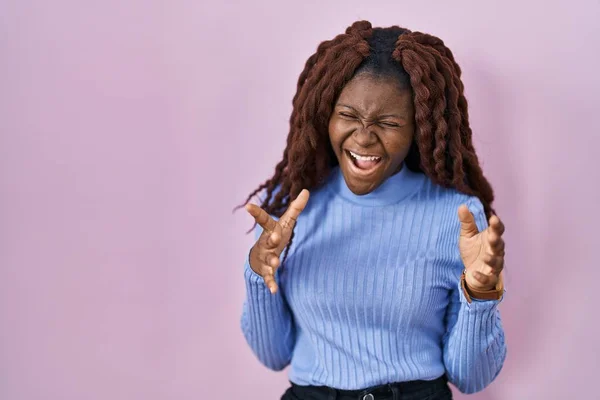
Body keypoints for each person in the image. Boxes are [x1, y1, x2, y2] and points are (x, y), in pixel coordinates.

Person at [238, 20, 507, 400]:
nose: (363, 137)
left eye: (388, 122)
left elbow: (471, 379)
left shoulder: (456, 215)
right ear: (325, 115)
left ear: (420, 128)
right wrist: (257, 272)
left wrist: (480, 295)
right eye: (348, 115)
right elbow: (273, 356)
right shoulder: (287, 212)